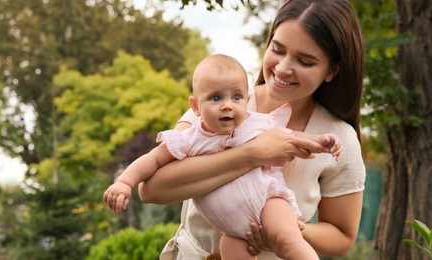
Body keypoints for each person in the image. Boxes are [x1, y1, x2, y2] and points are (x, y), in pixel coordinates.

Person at [138, 0, 366, 259]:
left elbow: (342, 236)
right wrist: (252, 154)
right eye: (277, 50)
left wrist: (286, 230)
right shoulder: (219, 106)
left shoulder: (336, 138)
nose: (282, 68)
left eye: (304, 61)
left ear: (331, 71)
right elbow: (152, 189)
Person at [104, 54, 341, 259]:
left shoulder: (256, 125)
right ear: (195, 106)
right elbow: (153, 159)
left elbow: (292, 138)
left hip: (269, 202)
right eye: (216, 98)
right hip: (231, 232)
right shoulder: (190, 137)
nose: (228, 105)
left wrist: (319, 142)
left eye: (236, 97)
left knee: (288, 238)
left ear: (247, 101)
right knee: (231, 251)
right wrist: (125, 182)